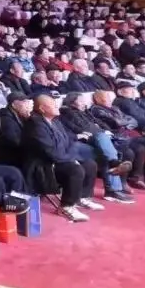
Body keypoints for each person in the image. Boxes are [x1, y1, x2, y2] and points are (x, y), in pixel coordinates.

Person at [24, 95, 102, 223]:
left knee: (90, 164)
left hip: (62, 157)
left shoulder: (55, 121)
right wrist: (71, 159)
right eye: (53, 105)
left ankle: (82, 197)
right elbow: (50, 152)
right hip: (44, 165)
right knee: (75, 169)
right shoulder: (35, 125)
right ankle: (66, 206)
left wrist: (72, 154)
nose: (57, 107)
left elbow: (67, 139)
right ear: (42, 108)